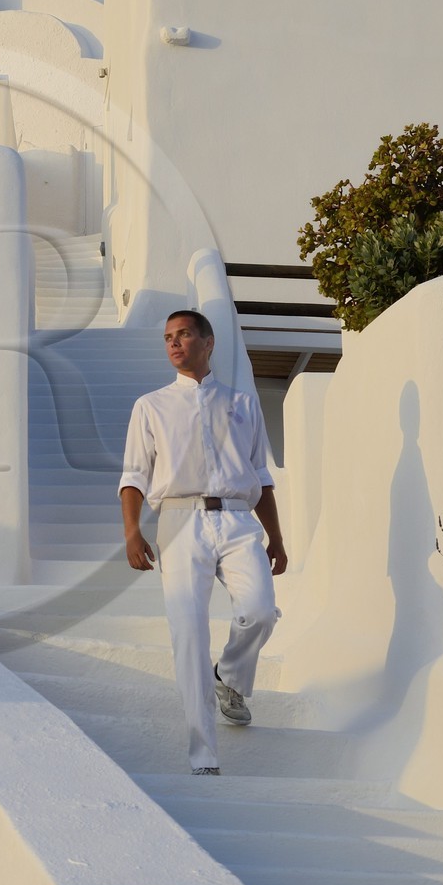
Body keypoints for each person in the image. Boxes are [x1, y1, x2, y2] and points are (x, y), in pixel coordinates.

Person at [118, 310, 287, 774]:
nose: (174, 343)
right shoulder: (150, 406)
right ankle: (203, 755)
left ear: (208, 342)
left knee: (258, 610)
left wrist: (276, 536)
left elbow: (260, 477)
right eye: (168, 337)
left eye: (184, 334)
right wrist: (132, 530)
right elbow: (133, 476)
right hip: (178, 521)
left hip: (237, 520)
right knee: (189, 634)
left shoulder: (244, 404)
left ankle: (229, 677)